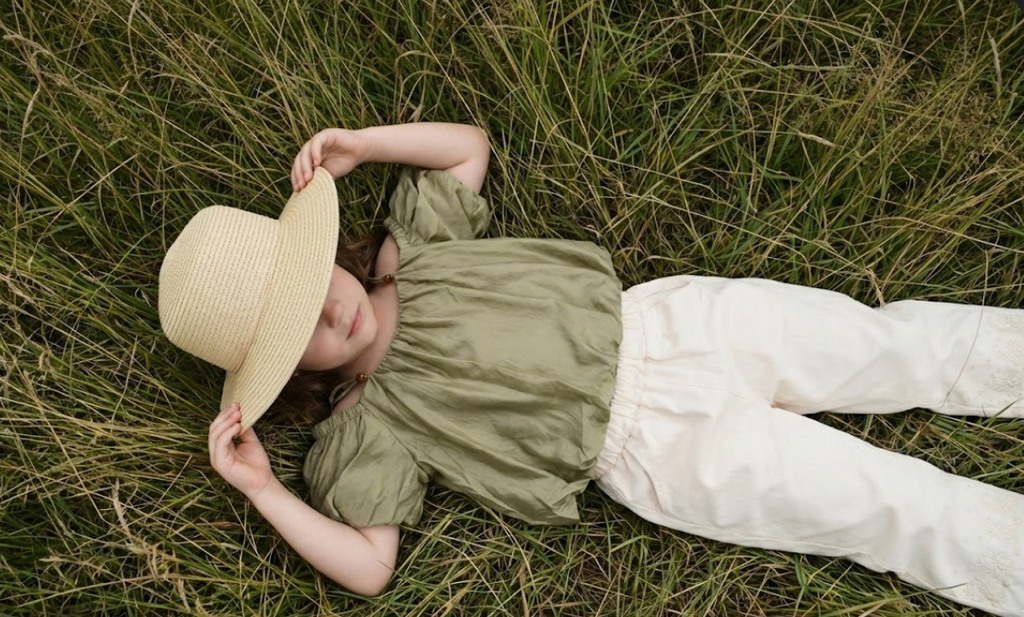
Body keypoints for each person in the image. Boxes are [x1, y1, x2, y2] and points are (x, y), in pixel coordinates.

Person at [159, 122, 1024, 615]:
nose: (332, 308)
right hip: (662, 450)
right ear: (289, 373)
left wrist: (364, 146)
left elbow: (467, 149)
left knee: (887, 344)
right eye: (301, 329)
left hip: (679, 321)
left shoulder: (411, 249)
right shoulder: (368, 424)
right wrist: (264, 489)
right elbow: (368, 565)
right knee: (878, 503)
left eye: (317, 280)